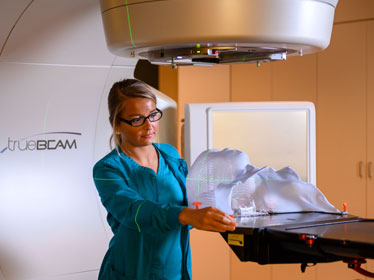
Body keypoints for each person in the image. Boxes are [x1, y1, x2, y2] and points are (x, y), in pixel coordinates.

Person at [93, 78, 236, 280]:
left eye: (153, 115)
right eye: (136, 119)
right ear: (116, 124)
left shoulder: (170, 155)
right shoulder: (107, 169)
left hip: (175, 271)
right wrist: (186, 215)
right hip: (133, 271)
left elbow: (191, 205)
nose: (149, 126)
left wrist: (223, 203)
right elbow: (134, 212)